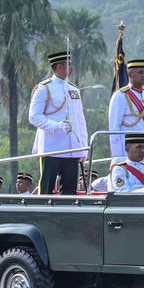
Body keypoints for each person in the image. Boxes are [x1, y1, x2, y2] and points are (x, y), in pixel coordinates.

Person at [29, 51, 89, 195]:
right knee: (46, 188)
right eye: (68, 65)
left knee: (69, 190)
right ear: (59, 66)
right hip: (52, 147)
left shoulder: (74, 89)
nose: (71, 68)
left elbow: (80, 121)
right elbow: (34, 116)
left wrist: (83, 147)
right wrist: (56, 126)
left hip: (72, 148)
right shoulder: (44, 87)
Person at [108, 58, 144, 165]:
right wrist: (117, 157)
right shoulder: (120, 96)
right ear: (130, 74)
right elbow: (114, 128)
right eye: (140, 72)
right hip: (128, 151)